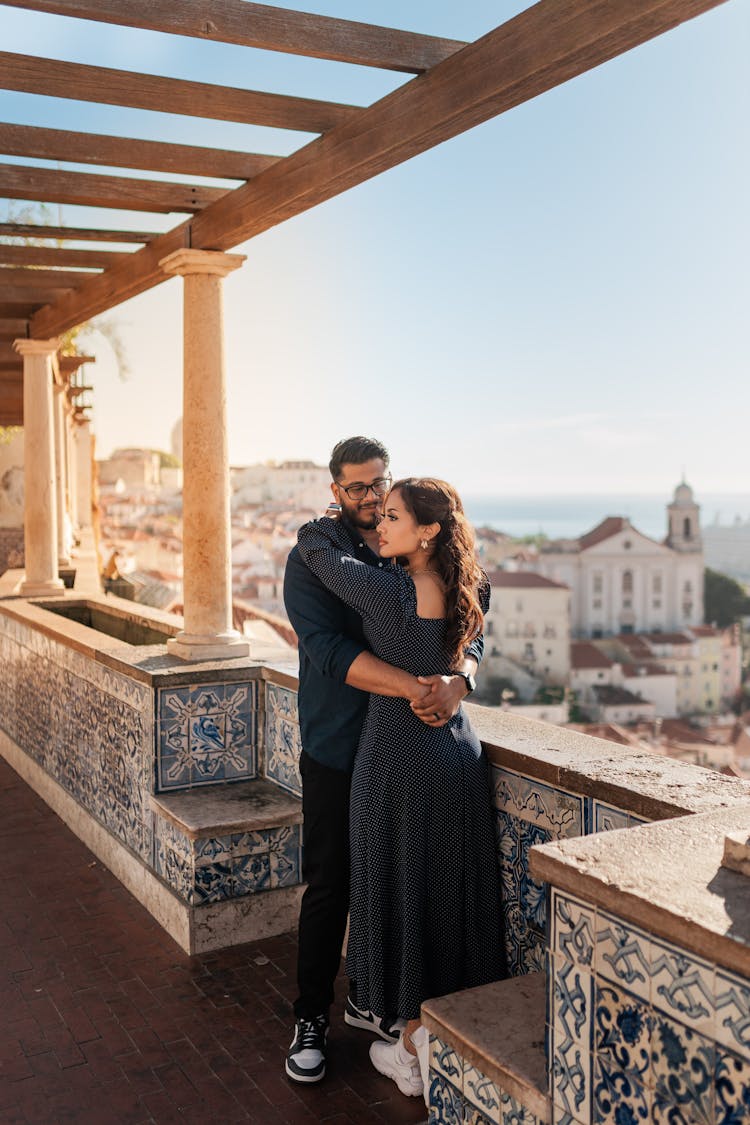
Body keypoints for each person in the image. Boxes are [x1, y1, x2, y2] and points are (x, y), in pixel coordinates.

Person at [296, 477, 505, 1100]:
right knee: (446, 895)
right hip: (456, 753)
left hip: (395, 755)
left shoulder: (386, 590)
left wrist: (330, 514)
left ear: (428, 531)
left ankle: (411, 1048)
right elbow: (476, 636)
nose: (380, 525)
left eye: (391, 515)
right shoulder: (470, 586)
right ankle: (430, 1032)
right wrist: (458, 679)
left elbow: (313, 551)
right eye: (376, 512)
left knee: (397, 892)